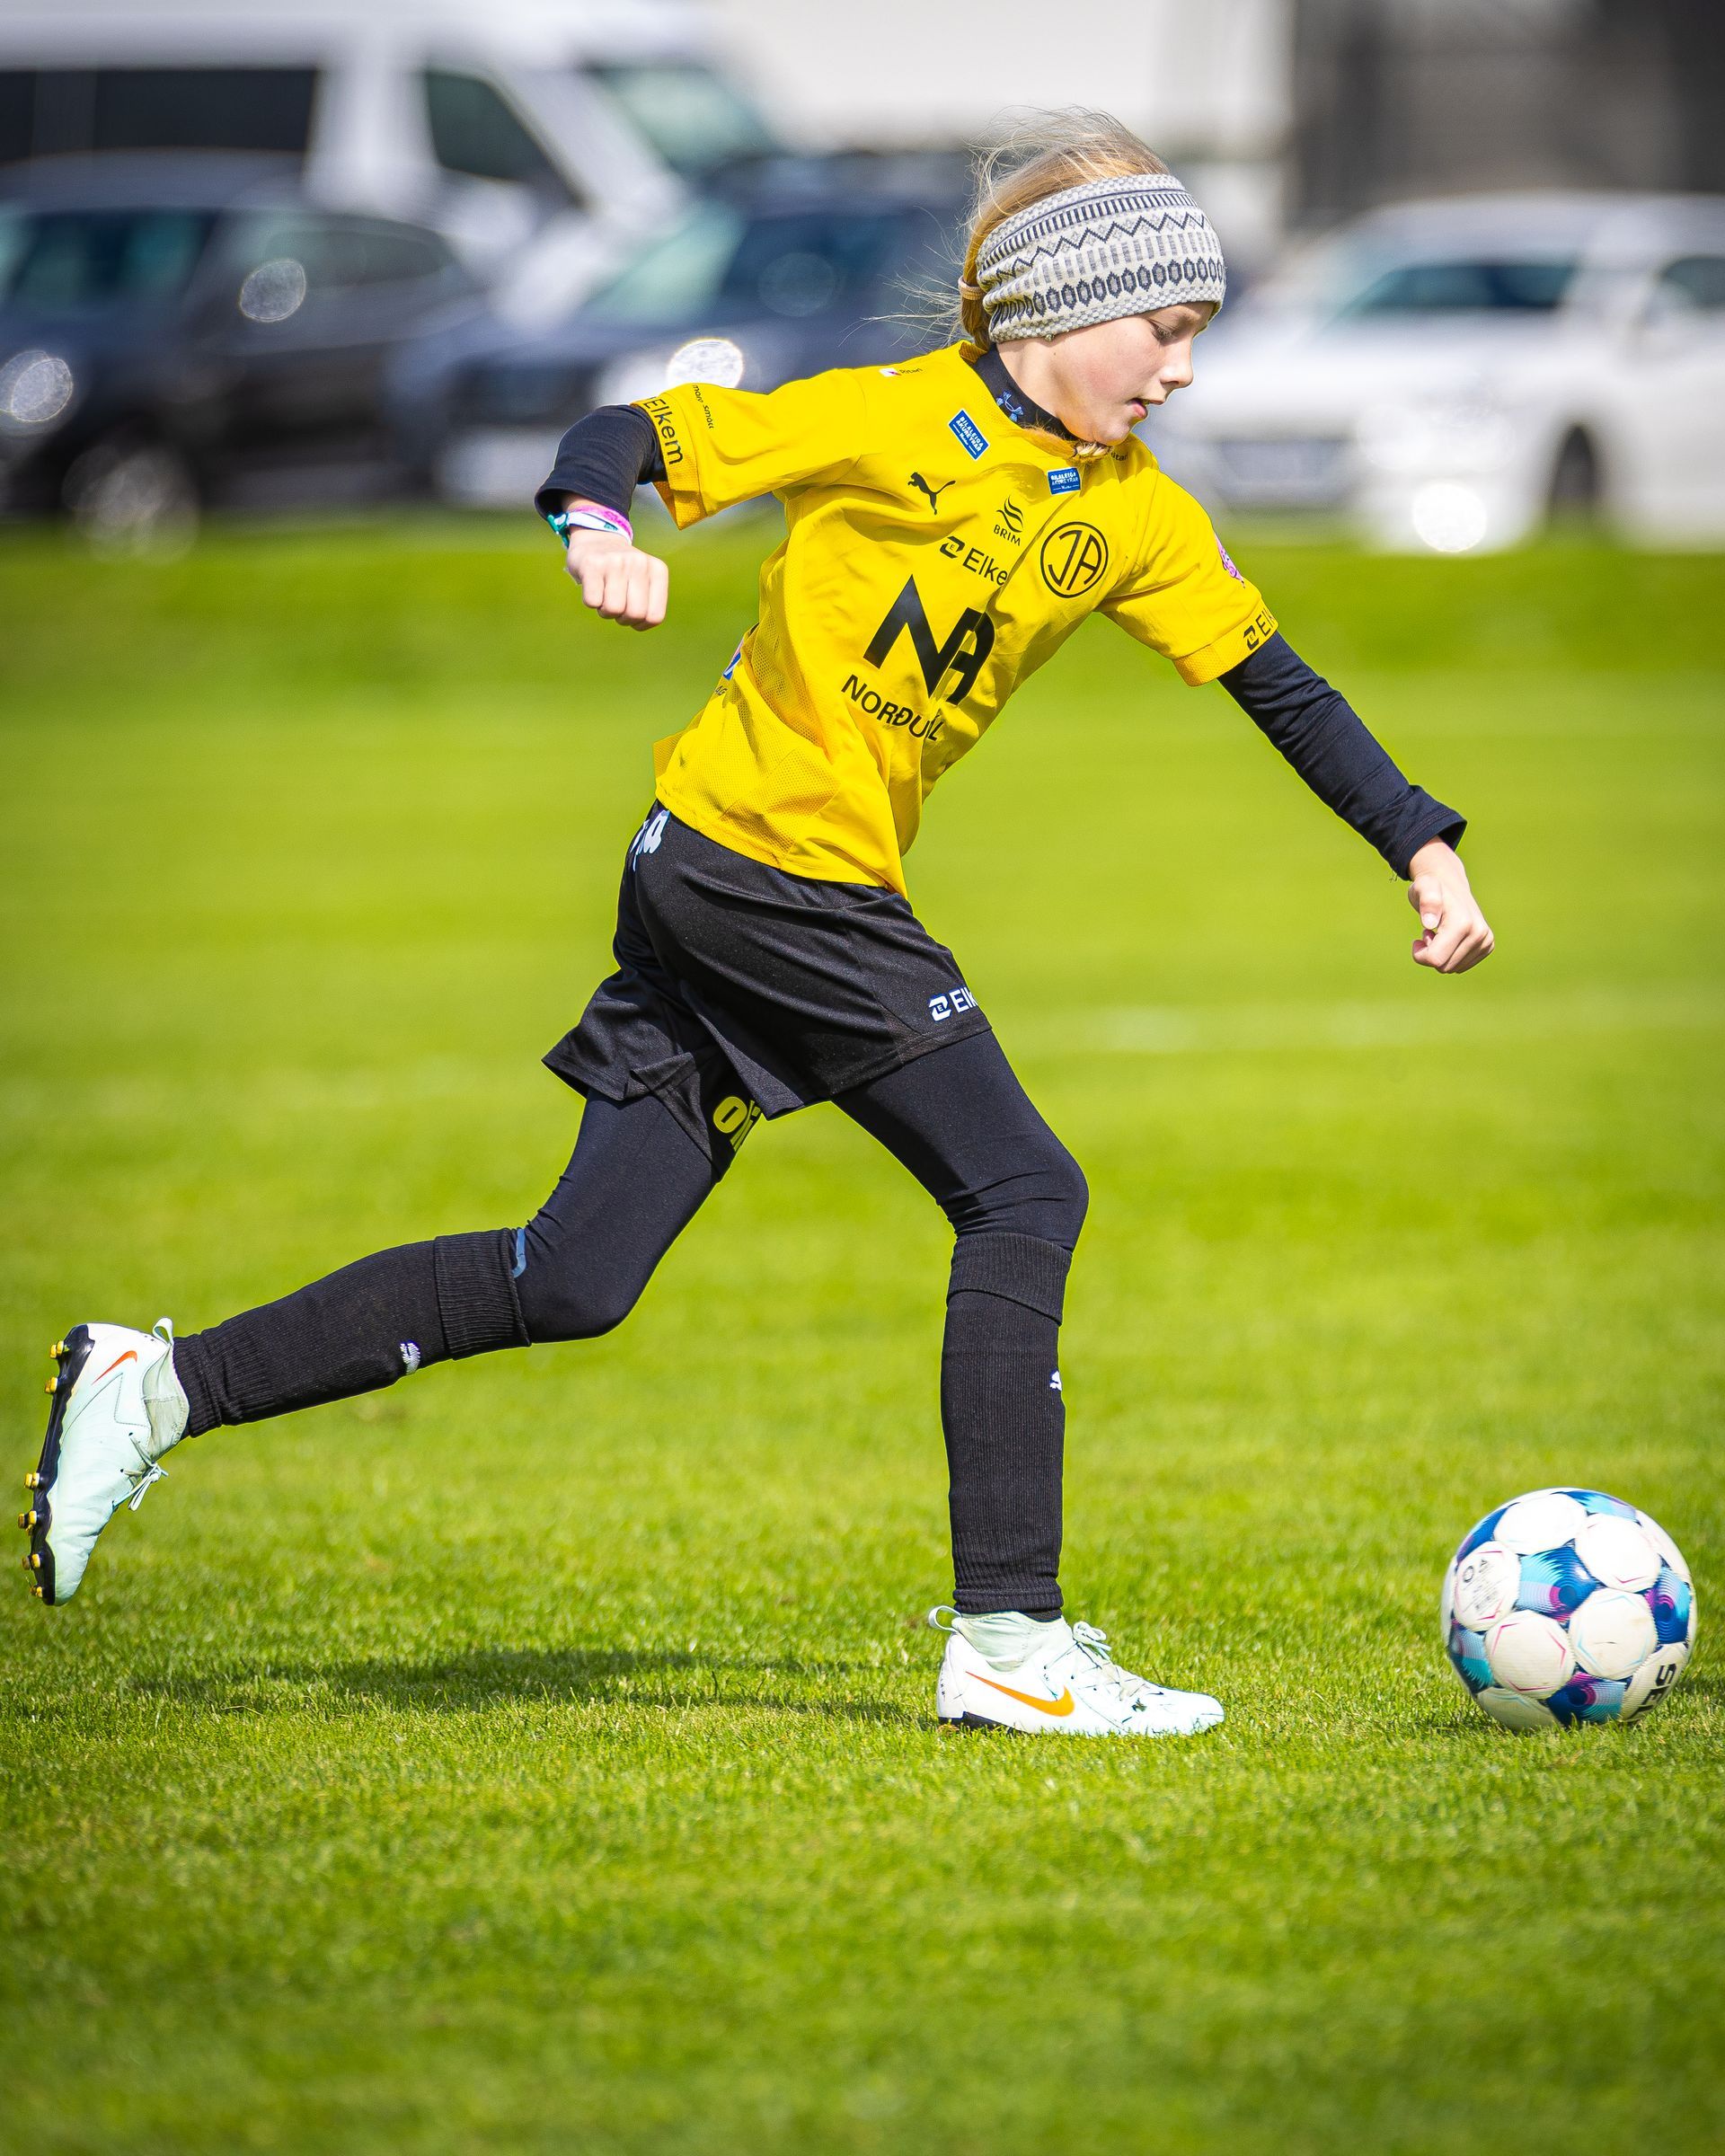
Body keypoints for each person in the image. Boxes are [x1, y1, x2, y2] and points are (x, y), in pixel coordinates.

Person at [19, 113, 1491, 1738]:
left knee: (574, 1275)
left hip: (729, 881)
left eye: (1197, 335)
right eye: (1165, 330)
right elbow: (623, 432)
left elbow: (1284, 688)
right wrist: (598, 528)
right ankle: (1011, 1639)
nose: (1183, 370)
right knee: (1024, 1190)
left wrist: (1419, 842)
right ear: (1058, 309)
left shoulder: (1136, 512)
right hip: (766, 873)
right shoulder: (884, 416)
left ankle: (156, 1390)